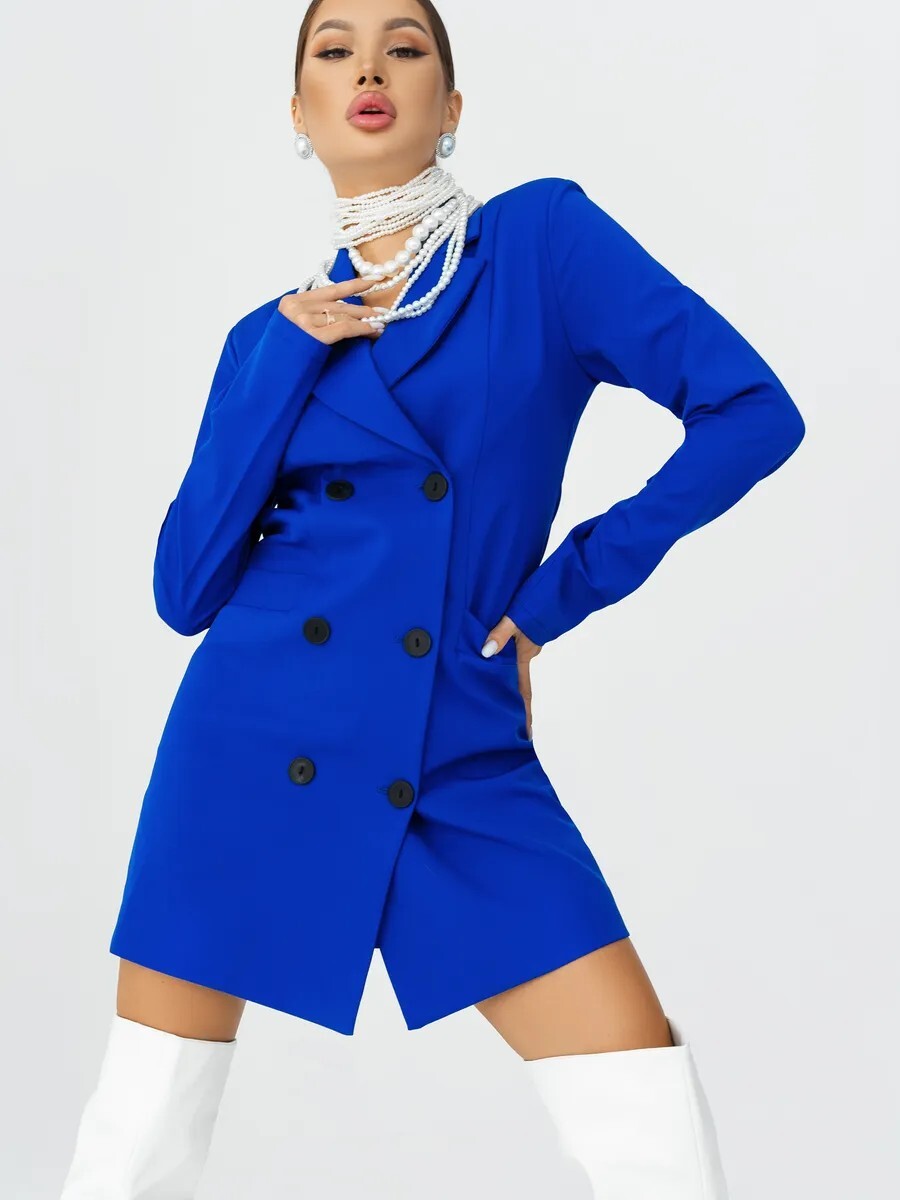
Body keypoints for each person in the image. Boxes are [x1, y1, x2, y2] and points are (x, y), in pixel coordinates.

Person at [58, 1, 805, 1197]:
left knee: (645, 1122)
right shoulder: (263, 336)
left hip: (455, 742)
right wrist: (286, 352)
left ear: (450, 108)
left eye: (403, 47)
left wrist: (559, 593)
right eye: (334, 51)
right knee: (139, 1134)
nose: (369, 66)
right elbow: (184, 589)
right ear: (300, 114)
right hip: (248, 744)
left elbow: (753, 413)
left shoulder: (539, 244)